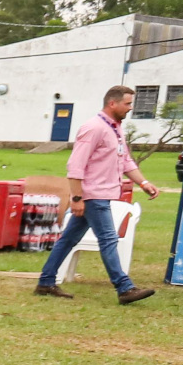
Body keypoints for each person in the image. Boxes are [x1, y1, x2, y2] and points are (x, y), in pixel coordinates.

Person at [36, 85, 161, 303]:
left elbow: (126, 161)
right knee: (108, 239)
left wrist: (144, 182)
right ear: (112, 103)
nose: (130, 108)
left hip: (101, 194)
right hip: (92, 195)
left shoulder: (115, 128)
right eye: (127, 104)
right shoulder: (94, 128)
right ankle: (124, 288)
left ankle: (46, 282)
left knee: (68, 240)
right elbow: (75, 166)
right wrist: (76, 198)